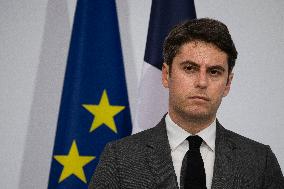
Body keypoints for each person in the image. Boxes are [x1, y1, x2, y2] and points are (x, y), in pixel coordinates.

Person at [88, 18, 284, 189]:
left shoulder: (260, 161)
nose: (202, 82)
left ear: (227, 84)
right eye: (190, 68)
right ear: (166, 75)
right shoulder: (120, 158)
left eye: (214, 71)